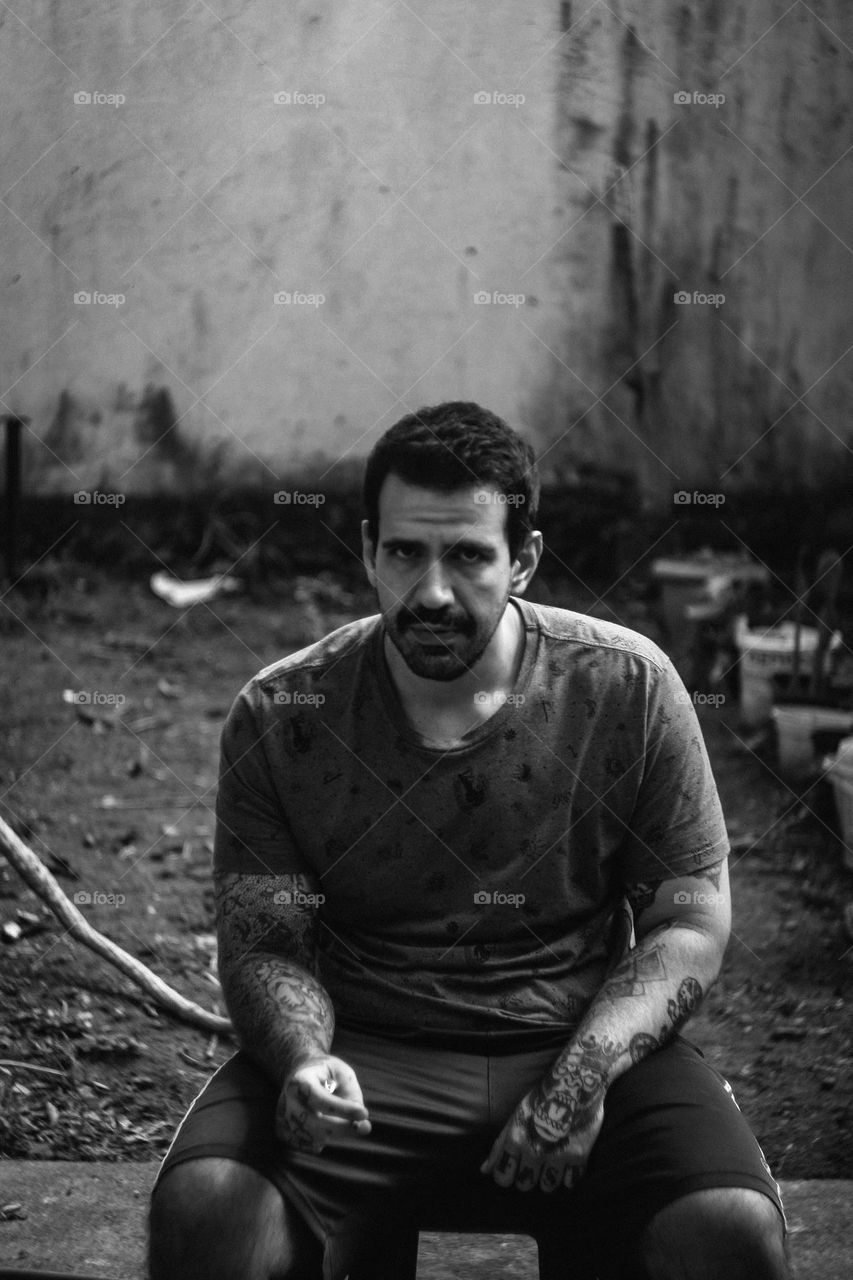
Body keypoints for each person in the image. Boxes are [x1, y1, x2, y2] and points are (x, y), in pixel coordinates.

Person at [148, 402, 790, 1280]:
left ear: (522, 560)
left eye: (468, 555)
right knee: (205, 1217)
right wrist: (303, 1064)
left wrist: (581, 1079)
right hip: (364, 1051)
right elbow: (267, 943)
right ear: (370, 549)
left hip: (572, 1031)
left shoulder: (625, 687)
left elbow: (690, 918)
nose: (434, 592)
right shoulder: (283, 714)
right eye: (406, 553)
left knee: (729, 1233)